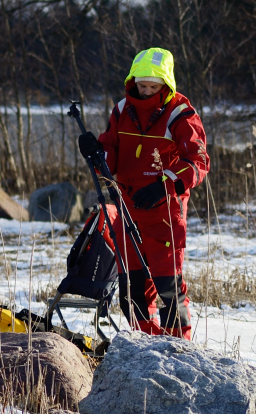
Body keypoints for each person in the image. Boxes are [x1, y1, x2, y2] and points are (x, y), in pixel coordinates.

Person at [79, 47, 210, 336]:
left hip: (164, 213)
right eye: (142, 85)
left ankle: (179, 352)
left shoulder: (180, 113)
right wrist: (94, 151)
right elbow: (109, 157)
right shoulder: (122, 110)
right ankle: (147, 350)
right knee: (132, 292)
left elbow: (199, 162)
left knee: (168, 290)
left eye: (154, 86)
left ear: (167, 84)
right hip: (127, 209)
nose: (147, 91)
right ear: (132, 81)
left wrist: (163, 185)